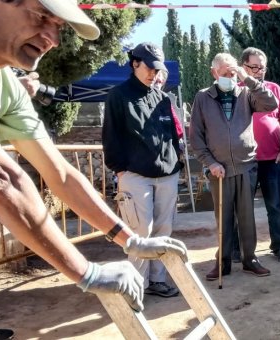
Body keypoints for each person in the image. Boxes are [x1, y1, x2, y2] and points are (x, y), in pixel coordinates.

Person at [0, 1, 189, 339]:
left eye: (60, 26)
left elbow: (62, 174)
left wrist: (130, 239)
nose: (52, 38)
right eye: (41, 17)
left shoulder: (5, 82)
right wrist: (88, 273)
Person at [102, 42, 183, 298]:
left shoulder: (163, 98)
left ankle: (157, 280)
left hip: (167, 175)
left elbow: (172, 135)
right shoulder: (118, 95)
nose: (154, 74)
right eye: (149, 67)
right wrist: (120, 170)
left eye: (157, 70)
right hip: (135, 175)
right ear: (135, 63)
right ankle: (136, 284)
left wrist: (176, 163)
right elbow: (111, 137)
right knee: (139, 232)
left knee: (163, 231)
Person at [190, 53, 278, 281]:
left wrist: (245, 77)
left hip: (246, 166)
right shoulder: (202, 97)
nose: (229, 77)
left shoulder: (246, 93)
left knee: (247, 217)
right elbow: (197, 137)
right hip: (219, 169)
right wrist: (210, 162)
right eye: (224, 73)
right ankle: (223, 262)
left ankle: (250, 259)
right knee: (224, 217)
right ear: (214, 73)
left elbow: (271, 103)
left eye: (232, 73)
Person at [239, 47, 280, 263]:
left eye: (262, 67)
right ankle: (238, 250)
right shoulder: (236, 90)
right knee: (241, 208)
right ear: (243, 67)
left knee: (275, 205)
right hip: (245, 161)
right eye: (254, 67)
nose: (259, 71)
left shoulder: (273, 89)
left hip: (273, 159)